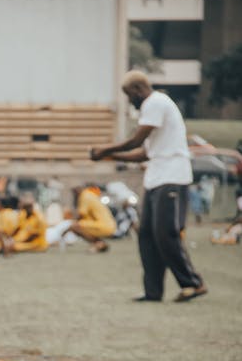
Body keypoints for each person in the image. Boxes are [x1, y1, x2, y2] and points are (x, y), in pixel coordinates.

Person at [90, 70, 206, 302]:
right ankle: (153, 291)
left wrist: (106, 150)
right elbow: (145, 153)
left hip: (172, 176)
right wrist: (111, 157)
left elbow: (136, 140)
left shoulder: (156, 102)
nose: (128, 100)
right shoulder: (152, 108)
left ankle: (192, 283)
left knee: (165, 233)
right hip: (156, 177)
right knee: (146, 235)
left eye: (128, 95)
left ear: (137, 90)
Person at [65, 186, 116, 253]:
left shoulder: (84, 196)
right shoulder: (90, 194)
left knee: (74, 226)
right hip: (110, 225)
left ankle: (98, 244)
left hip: (103, 225)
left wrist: (69, 225)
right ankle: (99, 244)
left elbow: (81, 214)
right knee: (79, 225)